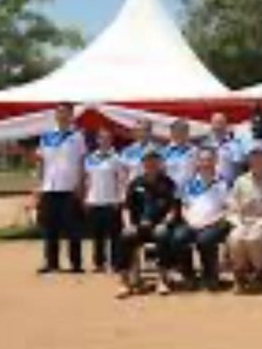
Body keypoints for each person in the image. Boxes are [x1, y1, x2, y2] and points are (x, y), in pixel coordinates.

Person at [116, 149, 179, 298]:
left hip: (158, 226)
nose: (151, 164)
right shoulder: (135, 183)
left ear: (159, 163)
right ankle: (124, 282)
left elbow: (173, 210)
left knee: (163, 235)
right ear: (143, 163)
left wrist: (164, 223)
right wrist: (128, 225)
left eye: (154, 160)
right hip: (138, 227)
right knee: (124, 237)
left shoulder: (168, 183)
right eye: (147, 161)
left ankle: (162, 281)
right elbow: (126, 208)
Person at [226, 139, 262, 293]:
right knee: (235, 238)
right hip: (243, 222)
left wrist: (261, 223)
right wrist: (238, 223)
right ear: (248, 159)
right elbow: (232, 205)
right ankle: (240, 276)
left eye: (260, 155)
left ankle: (261, 273)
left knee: (253, 238)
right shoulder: (240, 181)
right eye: (253, 156)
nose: (256, 159)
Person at [34, 103, 87, 274]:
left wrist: (81, 185)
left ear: (72, 115)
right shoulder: (46, 136)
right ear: (55, 115)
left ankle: (76, 263)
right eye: (59, 112)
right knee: (50, 228)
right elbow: (41, 162)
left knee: (73, 229)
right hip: (50, 188)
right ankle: (51, 263)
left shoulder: (77, 136)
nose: (62, 115)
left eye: (66, 112)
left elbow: (82, 162)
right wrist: (39, 186)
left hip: (69, 189)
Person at [172, 148, 231, 291]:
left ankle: (211, 276)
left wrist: (209, 222)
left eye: (210, 159)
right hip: (192, 222)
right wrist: (190, 221)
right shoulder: (190, 183)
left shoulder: (223, 183)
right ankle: (188, 275)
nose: (206, 163)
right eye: (203, 160)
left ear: (216, 161)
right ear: (197, 162)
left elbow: (228, 209)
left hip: (217, 222)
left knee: (205, 239)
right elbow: (184, 207)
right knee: (179, 236)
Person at [83, 127, 124, 273]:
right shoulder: (90, 158)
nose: (104, 141)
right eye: (102, 138)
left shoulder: (117, 158)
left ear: (111, 140)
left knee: (115, 236)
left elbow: (121, 181)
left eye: (107, 138)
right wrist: (86, 199)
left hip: (111, 202)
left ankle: (115, 263)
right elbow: (88, 180)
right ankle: (99, 263)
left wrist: (119, 200)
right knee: (97, 235)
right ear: (97, 140)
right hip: (94, 201)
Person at [203, 112, 244, 186]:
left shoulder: (235, 145)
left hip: (228, 187)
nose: (218, 126)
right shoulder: (205, 144)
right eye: (215, 123)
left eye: (220, 122)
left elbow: (239, 169)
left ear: (226, 125)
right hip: (209, 187)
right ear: (211, 125)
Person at [162, 119, 197, 195]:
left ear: (187, 133)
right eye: (178, 130)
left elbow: (197, 172)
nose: (180, 134)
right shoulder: (164, 152)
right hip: (170, 194)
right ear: (172, 133)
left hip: (189, 195)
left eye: (183, 131)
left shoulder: (194, 151)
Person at [119, 118, 153, 182]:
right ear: (136, 132)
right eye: (140, 130)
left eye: (146, 130)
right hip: (133, 188)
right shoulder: (128, 151)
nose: (143, 133)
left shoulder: (157, 151)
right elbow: (123, 172)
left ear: (150, 132)